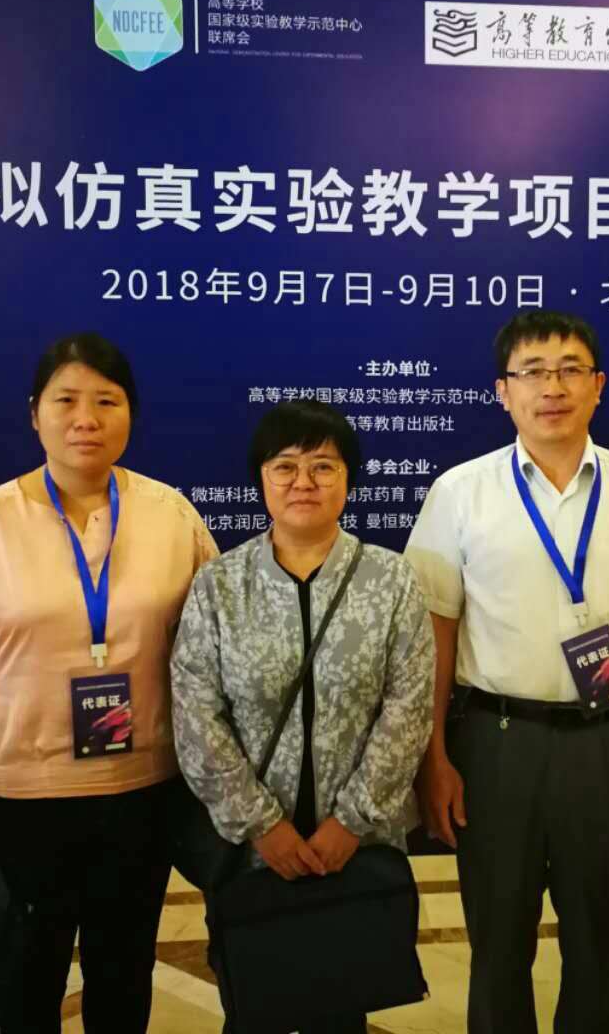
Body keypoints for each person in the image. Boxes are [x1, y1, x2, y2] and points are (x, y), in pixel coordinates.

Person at [405, 309, 609, 1034]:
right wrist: (434, 758)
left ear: (598, 386)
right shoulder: (460, 492)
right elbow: (435, 633)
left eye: (571, 369)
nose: (553, 387)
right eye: (533, 372)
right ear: (502, 391)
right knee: (497, 949)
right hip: (496, 746)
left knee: (600, 946)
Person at [0, 332, 218, 1034]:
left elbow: (214, 650)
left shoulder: (172, 514)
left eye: (107, 402)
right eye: (66, 401)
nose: (86, 419)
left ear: (130, 414)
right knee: (26, 975)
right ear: (35, 414)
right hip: (23, 796)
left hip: (143, 791)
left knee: (124, 969)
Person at [170, 400, 435, 1034]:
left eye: (323, 466)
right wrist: (262, 825)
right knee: (253, 1003)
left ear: (348, 479)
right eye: (284, 466)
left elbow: (409, 708)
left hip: (356, 848)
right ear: (261, 478)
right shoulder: (220, 584)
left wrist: (352, 821)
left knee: (341, 1004)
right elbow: (195, 712)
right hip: (253, 852)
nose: (303, 482)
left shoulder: (391, 580)